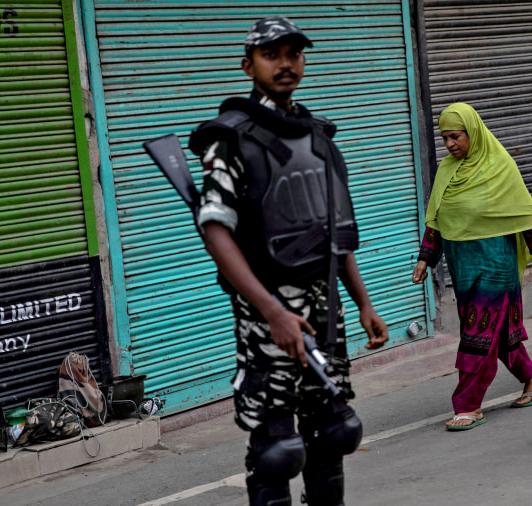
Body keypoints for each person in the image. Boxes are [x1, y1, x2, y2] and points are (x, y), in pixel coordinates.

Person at [188, 16, 389, 505]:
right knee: (279, 448)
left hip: (326, 312)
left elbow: (335, 233)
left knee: (333, 434)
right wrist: (273, 312)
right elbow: (214, 231)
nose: (285, 64)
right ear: (248, 64)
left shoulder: (318, 136)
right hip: (268, 312)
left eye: (294, 53)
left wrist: (362, 301)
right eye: (272, 54)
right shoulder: (230, 137)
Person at [412, 103, 532, 431]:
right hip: (462, 265)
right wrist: (425, 258)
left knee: (477, 333)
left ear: (472, 133)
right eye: (445, 137)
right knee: (499, 332)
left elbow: (523, 211)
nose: (450, 144)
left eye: (456, 136)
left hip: (495, 265)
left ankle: (468, 404)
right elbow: (436, 218)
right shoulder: (447, 170)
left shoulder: (499, 166)